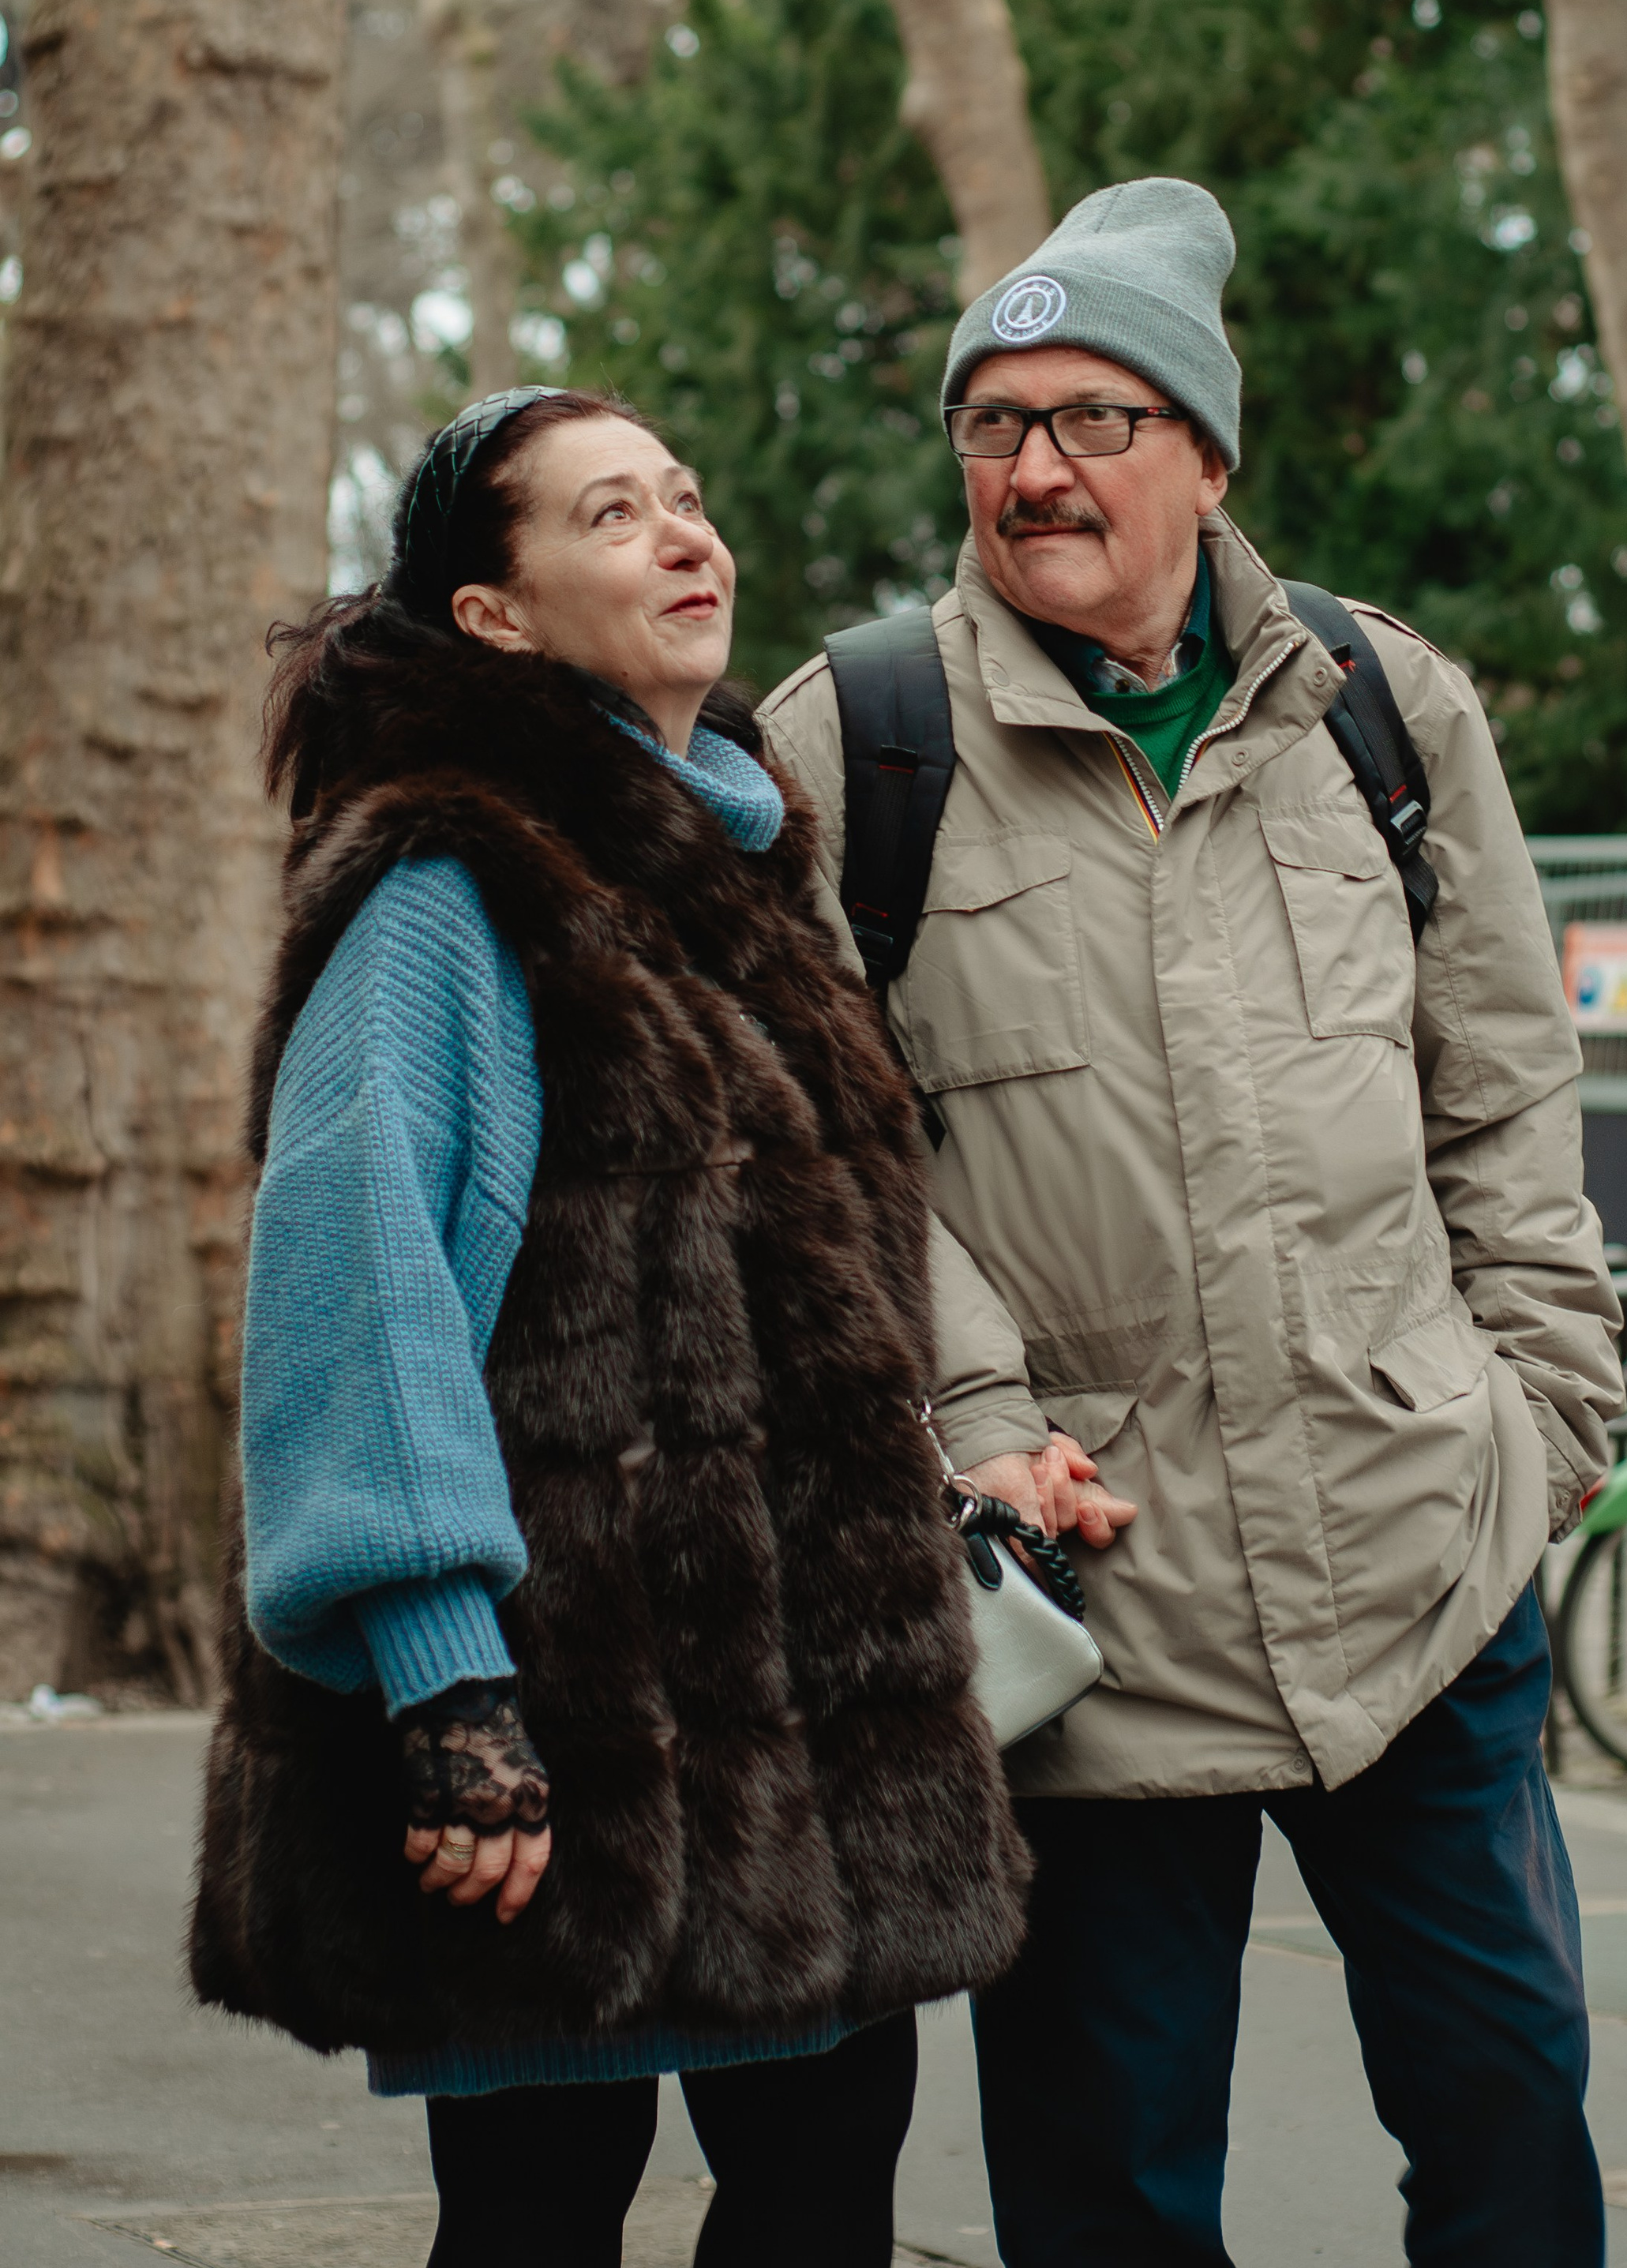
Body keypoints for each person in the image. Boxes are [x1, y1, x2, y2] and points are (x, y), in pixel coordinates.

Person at [761, 182, 1625, 2268]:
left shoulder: (1382, 714)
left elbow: (1502, 1085)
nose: (1034, 467)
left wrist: (1544, 1409)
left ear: (1209, 459)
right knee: (1111, 2185)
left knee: (1511, 2118)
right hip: (1094, 1603)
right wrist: (971, 1421)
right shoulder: (859, 746)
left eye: (1094, 420)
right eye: (995, 425)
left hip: (1423, 1559)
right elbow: (826, 1162)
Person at [189, 385, 1029, 2268]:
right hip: (555, 1722)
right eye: (610, 510)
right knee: (536, 2218)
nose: (683, 535)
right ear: (494, 610)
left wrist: (967, 1442)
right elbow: (356, 1278)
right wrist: (447, 1689)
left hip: (811, 1711)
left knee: (824, 2193)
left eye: (687, 492)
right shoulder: (442, 883)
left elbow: (814, 1274)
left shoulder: (739, 867)